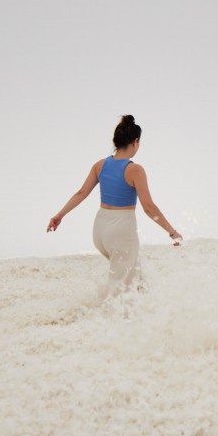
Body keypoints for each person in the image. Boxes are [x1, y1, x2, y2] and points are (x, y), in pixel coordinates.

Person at [47, 115, 182, 299]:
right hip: (121, 231)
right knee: (124, 292)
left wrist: (59, 215)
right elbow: (149, 207)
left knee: (135, 282)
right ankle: (103, 315)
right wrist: (172, 233)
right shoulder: (135, 170)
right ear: (135, 142)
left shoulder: (100, 165)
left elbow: (81, 193)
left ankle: (130, 313)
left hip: (100, 230)